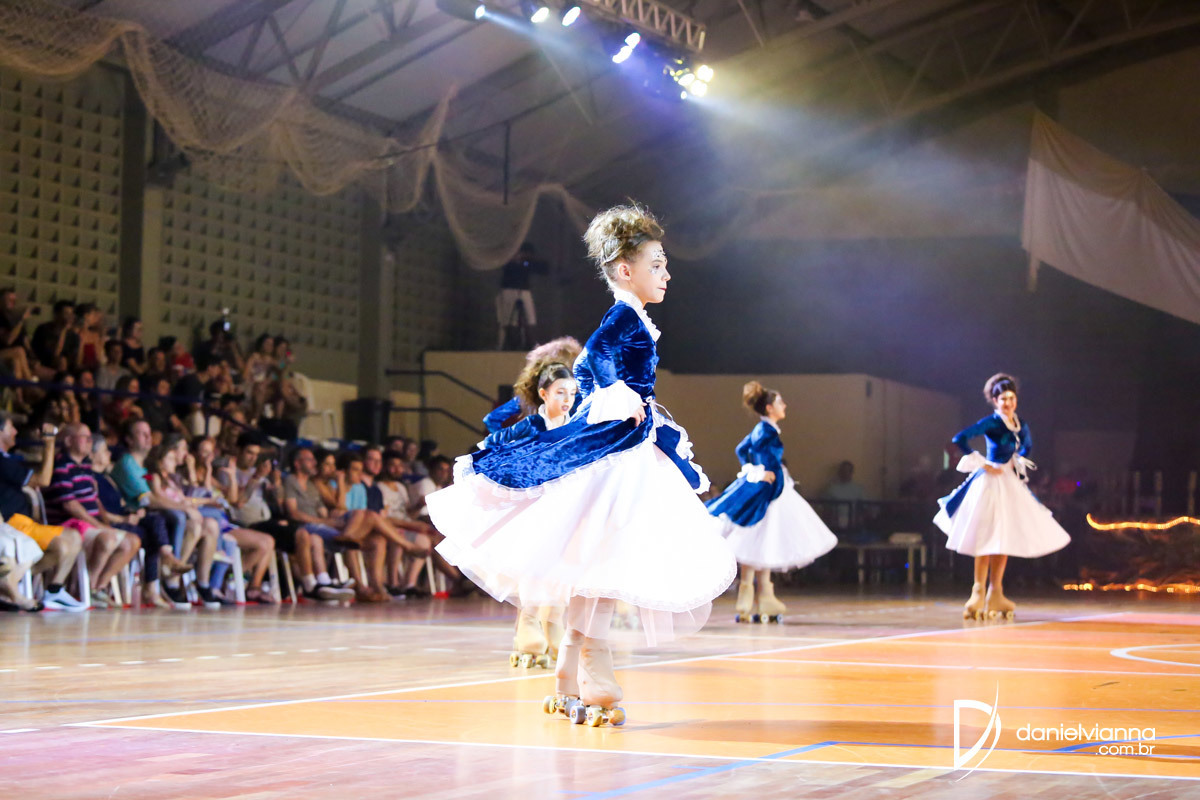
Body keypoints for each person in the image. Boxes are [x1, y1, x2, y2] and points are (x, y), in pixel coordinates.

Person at [428, 203, 736, 727]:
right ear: (626, 270)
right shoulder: (624, 314)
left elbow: (597, 362)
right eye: (657, 264)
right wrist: (619, 396)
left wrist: (621, 398)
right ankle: (596, 678)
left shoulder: (633, 314)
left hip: (627, 445)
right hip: (619, 451)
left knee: (596, 567)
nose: (666, 273)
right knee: (603, 565)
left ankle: (569, 677)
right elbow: (596, 355)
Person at [934, 373, 1071, 620]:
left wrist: (1019, 459)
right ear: (995, 401)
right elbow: (960, 439)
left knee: (1003, 537)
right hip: (990, 483)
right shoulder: (992, 422)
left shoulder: (1020, 424)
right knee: (985, 536)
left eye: (1011, 398)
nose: (1008, 403)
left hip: (1009, 482)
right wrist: (983, 463)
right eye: (1003, 399)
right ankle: (978, 590)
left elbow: (1027, 446)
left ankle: (996, 591)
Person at [706, 381, 837, 623]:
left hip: (769, 488)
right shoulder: (765, 431)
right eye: (780, 402)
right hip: (767, 491)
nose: (784, 405)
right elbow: (749, 451)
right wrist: (759, 471)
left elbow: (742, 449)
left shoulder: (766, 429)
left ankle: (758, 598)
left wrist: (755, 469)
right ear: (769, 408)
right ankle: (754, 597)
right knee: (758, 538)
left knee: (761, 541)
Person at [43, 423, 142, 609]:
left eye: (90, 438)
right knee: (108, 539)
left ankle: (98, 587)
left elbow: (95, 501)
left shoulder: (85, 466)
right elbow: (70, 505)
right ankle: (84, 590)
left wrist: (106, 522)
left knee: (132, 541)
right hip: (68, 525)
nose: (90, 441)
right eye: (84, 437)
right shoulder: (61, 465)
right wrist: (99, 526)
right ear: (69, 441)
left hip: (90, 524)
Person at [0, 411, 88, 611]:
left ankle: (50, 589)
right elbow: (43, 479)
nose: (16, 432)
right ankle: (11, 586)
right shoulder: (2, 461)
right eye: (11, 427)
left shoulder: (9, 458)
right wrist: (49, 442)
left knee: (73, 539)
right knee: (63, 545)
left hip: (24, 522)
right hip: (13, 523)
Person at [483, 337, 583, 435]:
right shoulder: (576, 398)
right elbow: (492, 419)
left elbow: (492, 419)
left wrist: (508, 442)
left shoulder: (528, 396)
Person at [496, 242, 548, 350]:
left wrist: (526, 260)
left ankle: (528, 344)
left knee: (530, 318)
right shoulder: (508, 258)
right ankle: (506, 344)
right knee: (508, 320)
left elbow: (542, 268)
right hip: (509, 289)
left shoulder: (527, 261)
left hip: (524, 289)